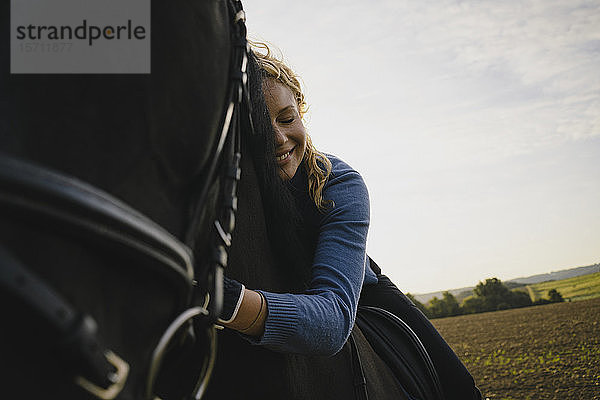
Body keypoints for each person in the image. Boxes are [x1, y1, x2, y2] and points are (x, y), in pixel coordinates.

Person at [218, 42, 482, 399]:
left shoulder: (340, 182)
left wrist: (222, 299)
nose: (279, 139)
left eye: (287, 119)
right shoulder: (230, 188)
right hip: (259, 296)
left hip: (355, 295)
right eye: (261, 129)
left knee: (459, 388)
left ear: (301, 111)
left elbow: (332, 321)